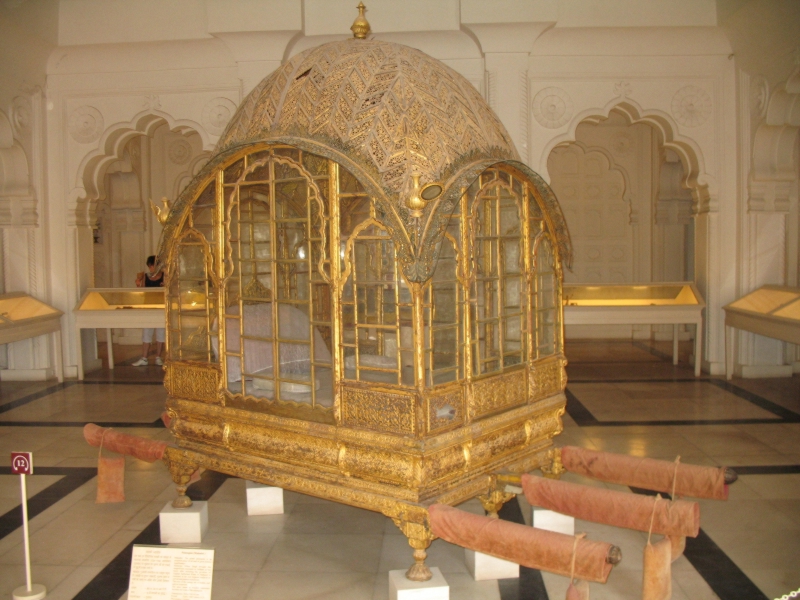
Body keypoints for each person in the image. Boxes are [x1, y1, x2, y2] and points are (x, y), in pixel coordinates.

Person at [133, 255, 165, 366]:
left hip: (161, 306)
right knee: (147, 331)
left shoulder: (164, 276)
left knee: (161, 331)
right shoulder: (145, 277)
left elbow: (169, 290)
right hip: (149, 306)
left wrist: (165, 286)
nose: (151, 269)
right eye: (150, 266)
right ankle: (144, 357)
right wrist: (138, 284)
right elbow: (142, 292)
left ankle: (158, 356)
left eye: (153, 266)